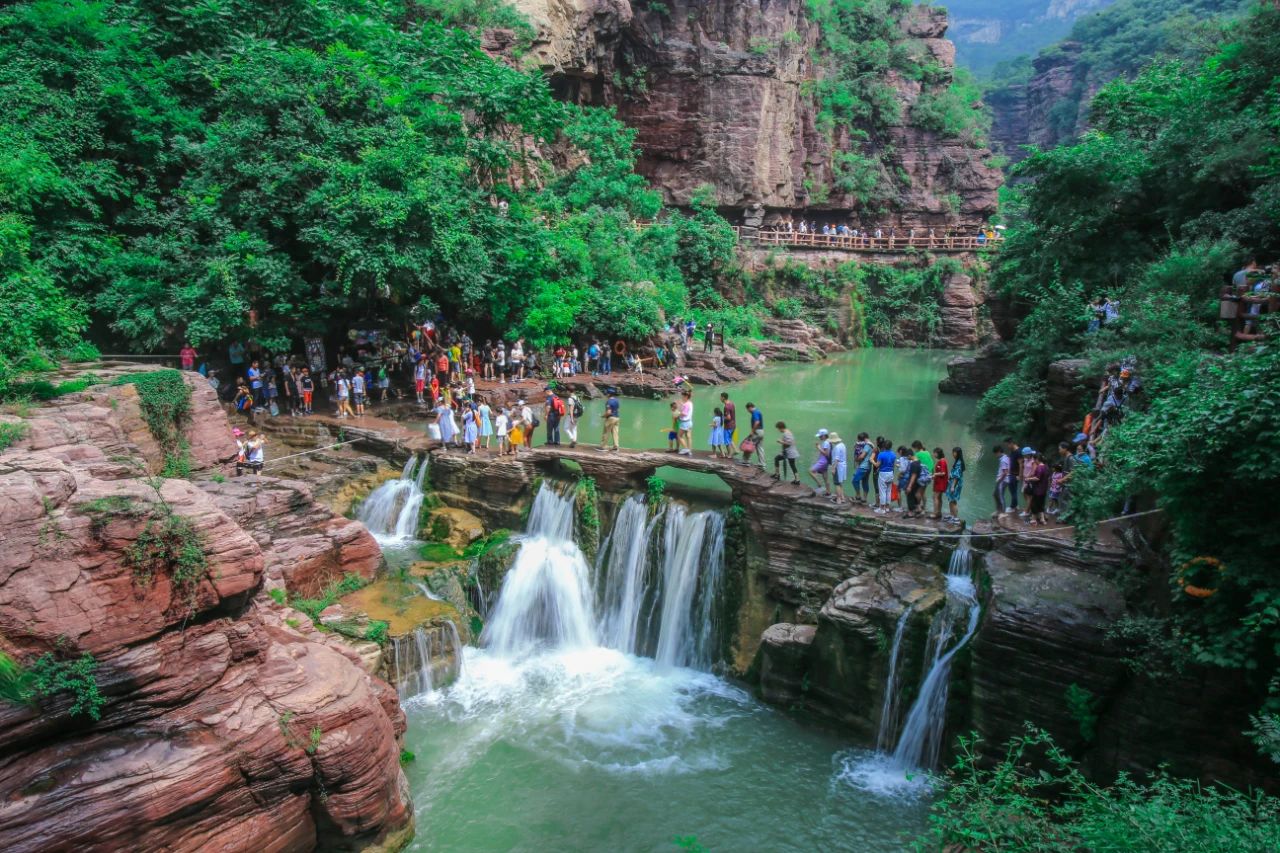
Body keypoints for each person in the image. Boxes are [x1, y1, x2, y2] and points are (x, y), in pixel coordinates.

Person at [1026, 450, 1050, 525]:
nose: (1034, 461)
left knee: (1034, 504)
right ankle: (1042, 519)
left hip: (1038, 490)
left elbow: (1037, 478)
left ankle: (1033, 520)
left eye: (1034, 459)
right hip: (1044, 489)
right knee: (1041, 504)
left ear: (1037, 459)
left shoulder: (1039, 467)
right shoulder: (1046, 466)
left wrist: (1029, 479)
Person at [873, 440, 896, 513]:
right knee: (888, 491)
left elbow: (877, 465)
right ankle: (887, 507)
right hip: (891, 473)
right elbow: (893, 464)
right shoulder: (893, 454)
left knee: (882, 491)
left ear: (884, 446)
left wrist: (872, 460)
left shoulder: (881, 454)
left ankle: (882, 508)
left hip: (883, 473)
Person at [851, 433, 874, 504]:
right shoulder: (871, 445)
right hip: (868, 467)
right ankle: (864, 498)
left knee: (854, 481)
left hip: (863, 467)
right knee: (865, 482)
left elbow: (862, 456)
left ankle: (858, 496)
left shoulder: (867, 446)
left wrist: (856, 459)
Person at [945, 446, 965, 524]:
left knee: (953, 500)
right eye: (953, 452)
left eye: (954, 452)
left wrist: (953, 486)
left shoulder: (959, 463)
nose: (953, 454)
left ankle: (955, 518)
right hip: (953, 482)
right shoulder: (957, 461)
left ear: (958, 453)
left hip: (955, 484)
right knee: (951, 500)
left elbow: (957, 476)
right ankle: (952, 515)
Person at [903, 449, 925, 518]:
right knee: (915, 496)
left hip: (913, 482)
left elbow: (913, 475)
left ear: (910, 455)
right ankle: (918, 509)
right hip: (917, 482)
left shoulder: (914, 464)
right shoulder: (918, 461)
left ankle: (910, 513)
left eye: (907, 457)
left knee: (910, 496)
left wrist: (909, 486)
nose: (907, 458)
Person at [808, 429, 832, 494]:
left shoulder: (826, 443)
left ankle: (819, 484)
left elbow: (826, 453)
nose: (819, 437)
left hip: (823, 461)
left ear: (824, 436)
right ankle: (828, 491)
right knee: (825, 478)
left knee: (810, 471)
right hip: (825, 461)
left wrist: (818, 447)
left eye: (820, 436)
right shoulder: (828, 442)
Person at [828, 432, 848, 504]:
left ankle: (838, 499)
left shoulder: (836, 447)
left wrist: (833, 468)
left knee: (836, 483)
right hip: (843, 465)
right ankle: (842, 498)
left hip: (838, 466)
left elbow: (836, 459)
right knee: (840, 483)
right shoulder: (842, 445)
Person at [930, 447, 949, 520]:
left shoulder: (942, 461)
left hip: (940, 483)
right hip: (939, 482)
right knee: (938, 498)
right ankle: (939, 512)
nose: (933, 454)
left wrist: (935, 474)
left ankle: (935, 513)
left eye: (934, 453)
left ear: (937, 453)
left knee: (935, 497)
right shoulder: (941, 461)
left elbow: (943, 473)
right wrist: (934, 475)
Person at [992, 444, 1010, 517]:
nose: (995, 455)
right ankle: (998, 510)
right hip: (1002, 480)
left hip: (1003, 481)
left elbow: (1005, 472)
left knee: (1000, 496)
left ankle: (1003, 512)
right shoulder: (1005, 457)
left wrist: (999, 479)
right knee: (995, 494)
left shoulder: (1003, 460)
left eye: (996, 453)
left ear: (999, 452)